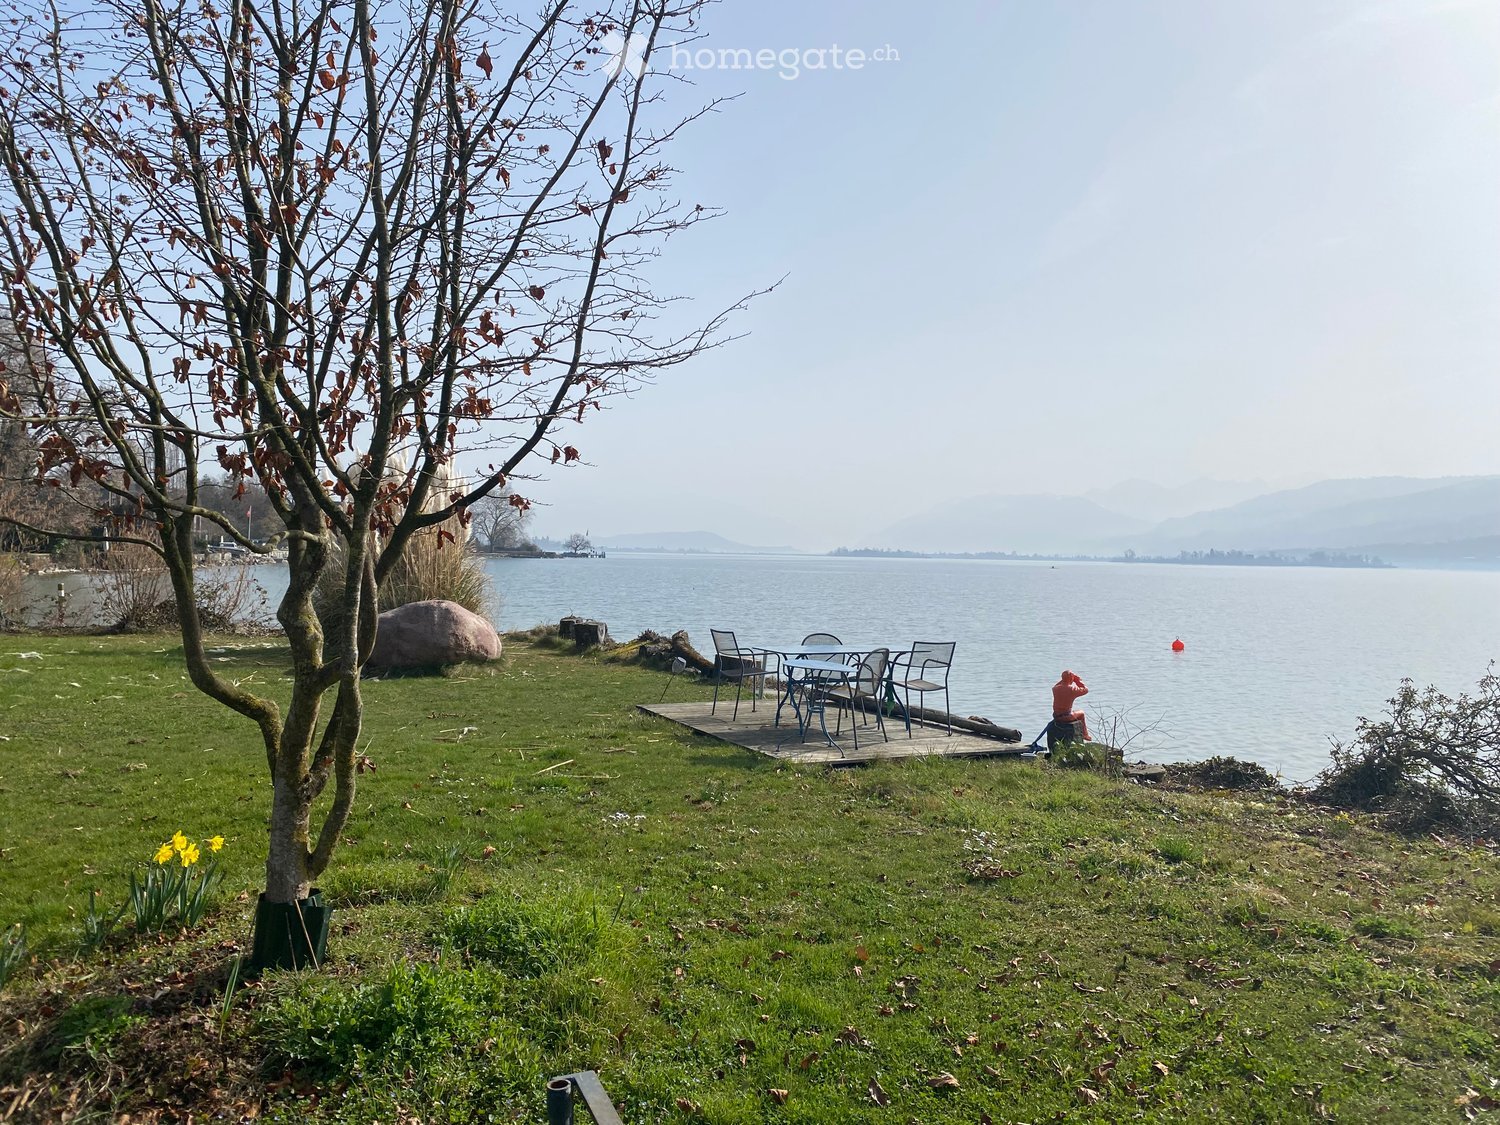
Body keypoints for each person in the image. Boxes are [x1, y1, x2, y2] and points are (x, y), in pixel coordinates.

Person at [1051, 669, 1091, 740]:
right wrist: (1077, 681)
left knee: (1074, 712)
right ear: (1071, 678)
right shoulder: (1072, 689)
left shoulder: (1055, 689)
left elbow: (1055, 686)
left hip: (1056, 716)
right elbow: (1085, 689)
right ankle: (1085, 734)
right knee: (1081, 713)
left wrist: (1064, 679)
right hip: (1067, 717)